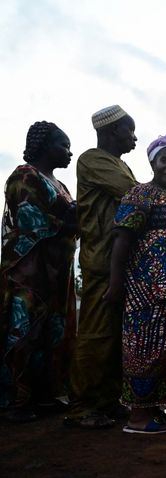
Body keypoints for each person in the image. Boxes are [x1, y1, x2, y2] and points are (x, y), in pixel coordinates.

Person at [106, 134, 166, 434]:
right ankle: (137, 418)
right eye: (165, 160)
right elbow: (122, 238)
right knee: (144, 348)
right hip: (145, 292)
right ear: (152, 162)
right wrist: (116, 281)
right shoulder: (139, 195)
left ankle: (156, 410)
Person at [65, 105, 138, 429]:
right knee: (95, 334)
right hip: (100, 261)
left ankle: (107, 399)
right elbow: (133, 194)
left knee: (113, 335)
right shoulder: (92, 160)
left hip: (118, 262)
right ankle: (82, 406)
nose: (134, 137)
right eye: (129, 131)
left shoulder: (118, 163)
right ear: (111, 132)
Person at [0, 122, 77, 422]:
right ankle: (13, 401)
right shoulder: (23, 176)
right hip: (27, 272)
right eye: (63, 146)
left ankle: (44, 395)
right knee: (23, 331)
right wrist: (72, 223)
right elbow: (32, 220)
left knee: (53, 334)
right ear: (44, 146)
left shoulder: (62, 186)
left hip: (56, 273)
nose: (69, 153)